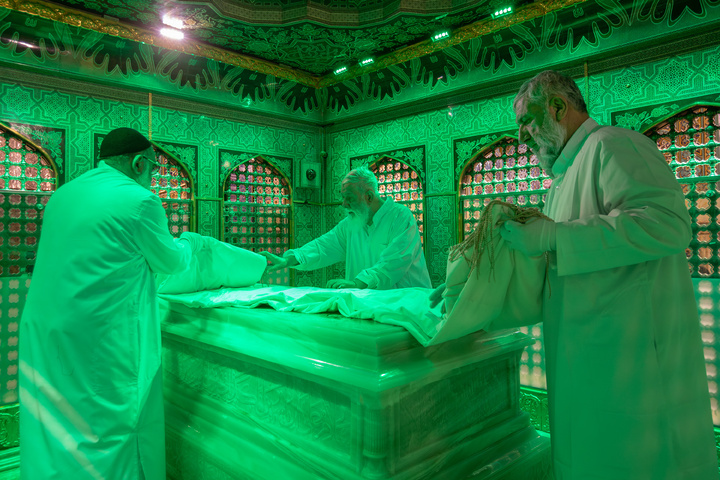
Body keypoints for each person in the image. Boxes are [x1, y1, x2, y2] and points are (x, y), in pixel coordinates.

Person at [497, 70, 718, 479]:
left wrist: (552, 234)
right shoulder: (563, 178)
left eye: (526, 122)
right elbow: (568, 257)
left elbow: (667, 223)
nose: (521, 138)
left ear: (558, 108)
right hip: (589, 361)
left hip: (632, 367)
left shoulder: (613, 145)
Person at [19, 128, 197, 480]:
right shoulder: (139, 200)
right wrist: (192, 244)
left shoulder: (63, 194)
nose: (153, 177)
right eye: (153, 169)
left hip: (45, 332)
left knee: (55, 424)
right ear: (137, 162)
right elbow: (173, 262)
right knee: (102, 426)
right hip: (95, 337)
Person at [261, 165, 431, 290]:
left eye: (348, 198)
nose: (344, 204)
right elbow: (323, 246)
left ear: (369, 196)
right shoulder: (352, 223)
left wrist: (357, 283)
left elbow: (395, 261)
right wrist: (288, 260)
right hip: (370, 305)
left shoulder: (400, 217)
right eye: (343, 198)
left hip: (408, 305)